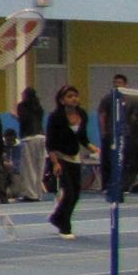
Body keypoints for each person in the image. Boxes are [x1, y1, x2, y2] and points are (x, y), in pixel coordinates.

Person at [45, 85, 91, 239]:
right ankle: (65, 226)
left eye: (76, 95)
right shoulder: (55, 117)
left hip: (75, 157)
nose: (74, 98)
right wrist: (55, 163)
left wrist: (95, 149)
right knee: (69, 193)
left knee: (76, 194)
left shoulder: (83, 114)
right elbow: (50, 142)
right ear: (62, 100)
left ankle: (57, 217)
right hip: (59, 157)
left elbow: (83, 138)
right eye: (70, 96)